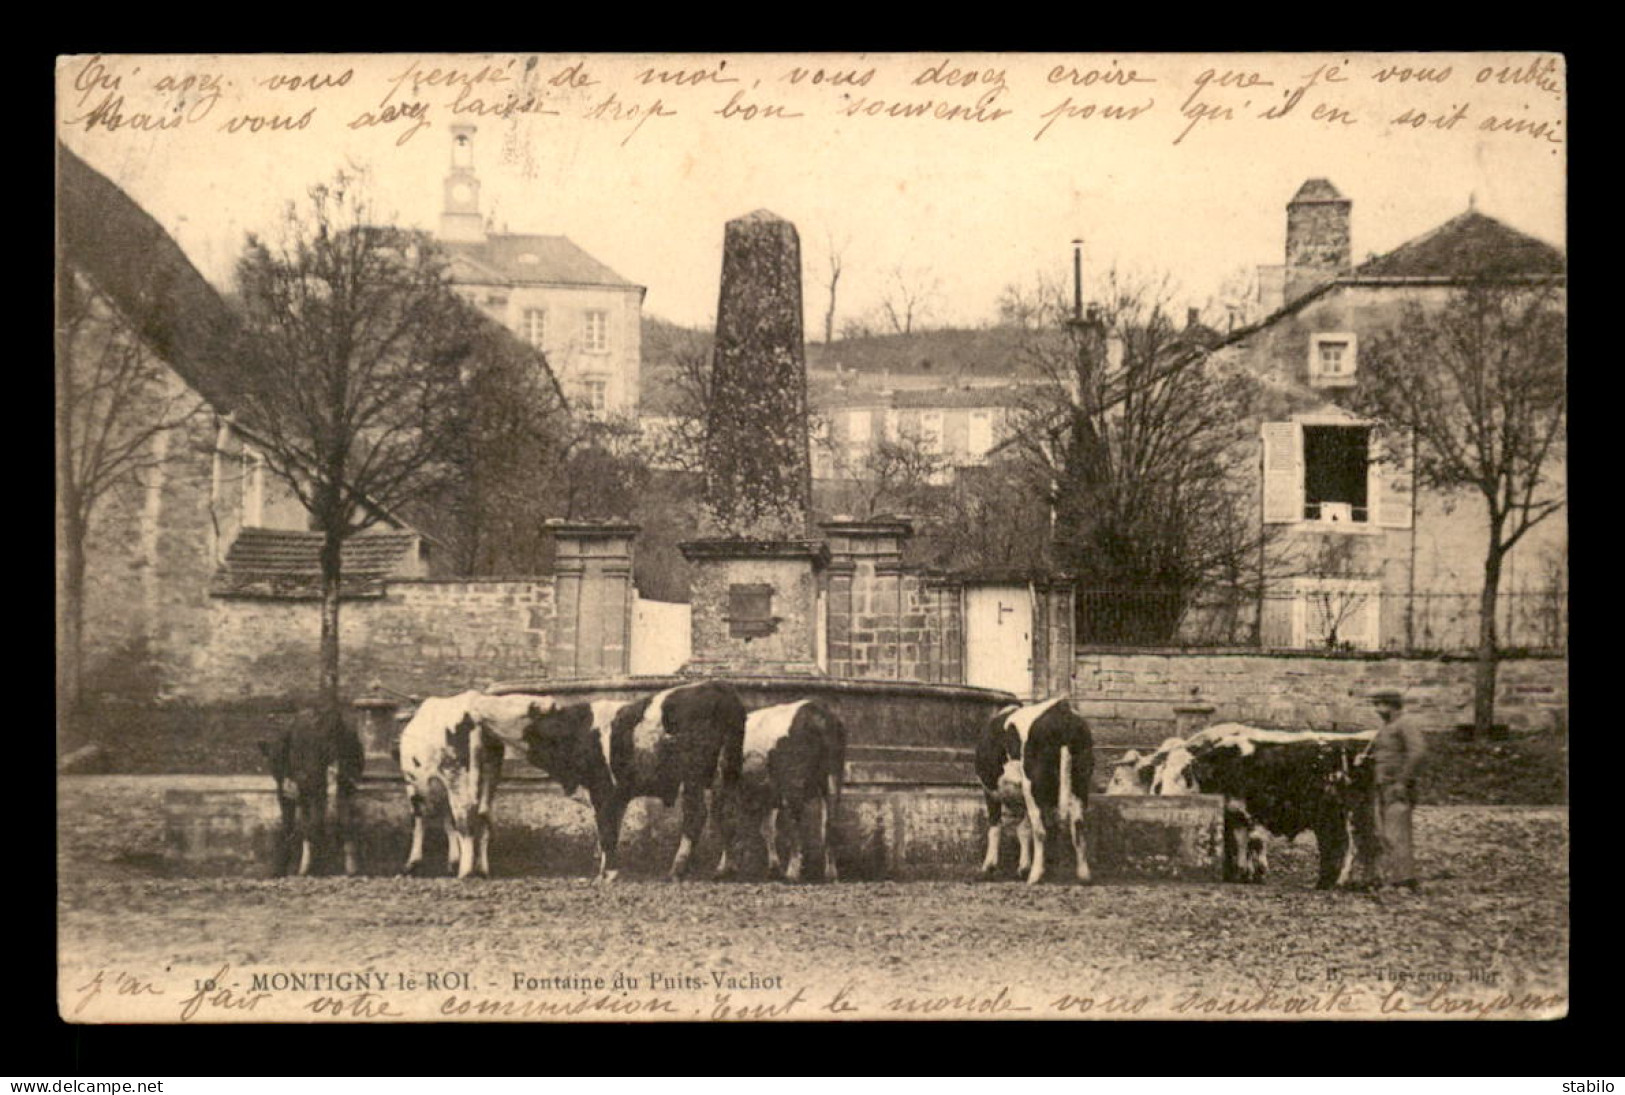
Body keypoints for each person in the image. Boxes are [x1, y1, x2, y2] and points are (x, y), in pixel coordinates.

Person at [1369, 689, 1427, 893]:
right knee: (1386, 834)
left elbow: (1418, 752)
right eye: (1375, 704)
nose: (1376, 709)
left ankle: (1405, 881)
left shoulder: (1405, 724)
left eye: (1379, 704)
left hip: (1397, 788)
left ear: (1391, 705)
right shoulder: (1388, 727)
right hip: (1383, 786)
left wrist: (1402, 781)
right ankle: (1393, 879)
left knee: (1397, 834)